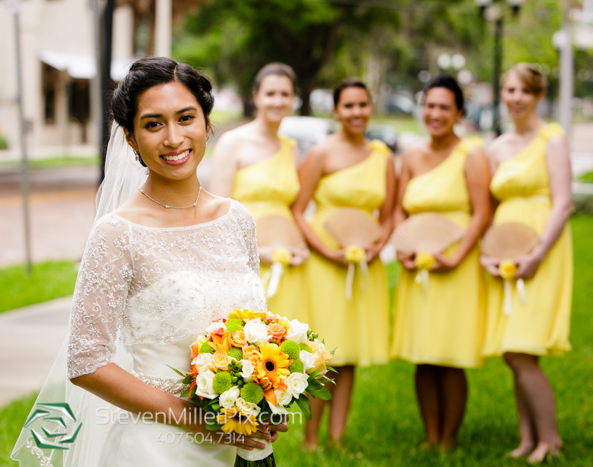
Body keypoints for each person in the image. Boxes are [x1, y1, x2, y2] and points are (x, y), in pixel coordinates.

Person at [12, 57, 286, 466]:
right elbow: (86, 361)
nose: (174, 138)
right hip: (158, 448)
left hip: (246, 442)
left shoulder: (237, 219)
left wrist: (267, 395)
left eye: (186, 118)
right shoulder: (116, 233)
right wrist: (201, 421)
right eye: (154, 124)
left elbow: (254, 328)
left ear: (207, 123)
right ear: (132, 138)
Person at [291, 78, 395, 450]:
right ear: (336, 110)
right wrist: (324, 249)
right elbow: (299, 211)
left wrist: (376, 246)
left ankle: (337, 437)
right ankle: (310, 438)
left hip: (364, 263)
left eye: (362, 105)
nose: (356, 112)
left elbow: (389, 213)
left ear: (371, 108)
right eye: (348, 105)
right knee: (324, 353)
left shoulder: (383, 156)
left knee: (350, 355)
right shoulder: (320, 153)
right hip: (325, 261)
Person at [390, 75, 491, 451]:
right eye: (430, 106)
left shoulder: (472, 155)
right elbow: (400, 208)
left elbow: (481, 214)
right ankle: (430, 436)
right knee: (424, 353)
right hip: (417, 265)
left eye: (444, 107)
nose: (435, 114)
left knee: (450, 354)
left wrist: (457, 257)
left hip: (456, 264)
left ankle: (449, 439)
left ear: (460, 113)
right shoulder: (413, 156)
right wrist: (403, 248)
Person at [480, 63, 573, 463]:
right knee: (512, 351)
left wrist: (538, 253)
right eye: (509, 90)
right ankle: (527, 439)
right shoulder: (496, 147)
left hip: (542, 246)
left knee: (523, 348)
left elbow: (564, 202)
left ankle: (550, 439)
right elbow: (489, 208)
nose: (516, 98)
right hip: (505, 249)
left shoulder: (551, 139)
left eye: (524, 92)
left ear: (538, 96)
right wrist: (489, 251)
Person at [210, 63, 308, 322]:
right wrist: (254, 252)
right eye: (270, 93)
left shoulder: (291, 149)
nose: (278, 101)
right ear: (256, 97)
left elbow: (294, 209)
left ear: (293, 99)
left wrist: (303, 245)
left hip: (286, 257)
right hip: (244, 259)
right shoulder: (233, 143)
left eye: (285, 94)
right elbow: (217, 211)